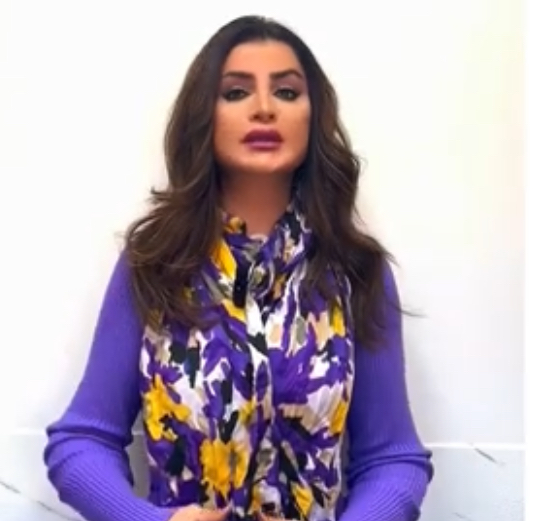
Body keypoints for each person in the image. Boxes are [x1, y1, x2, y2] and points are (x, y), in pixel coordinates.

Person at [43, 14, 433, 521]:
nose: (264, 108)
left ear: (313, 116)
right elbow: (81, 441)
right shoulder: (155, 263)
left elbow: (392, 458)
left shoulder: (355, 272)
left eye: (287, 92)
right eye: (236, 92)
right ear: (204, 114)